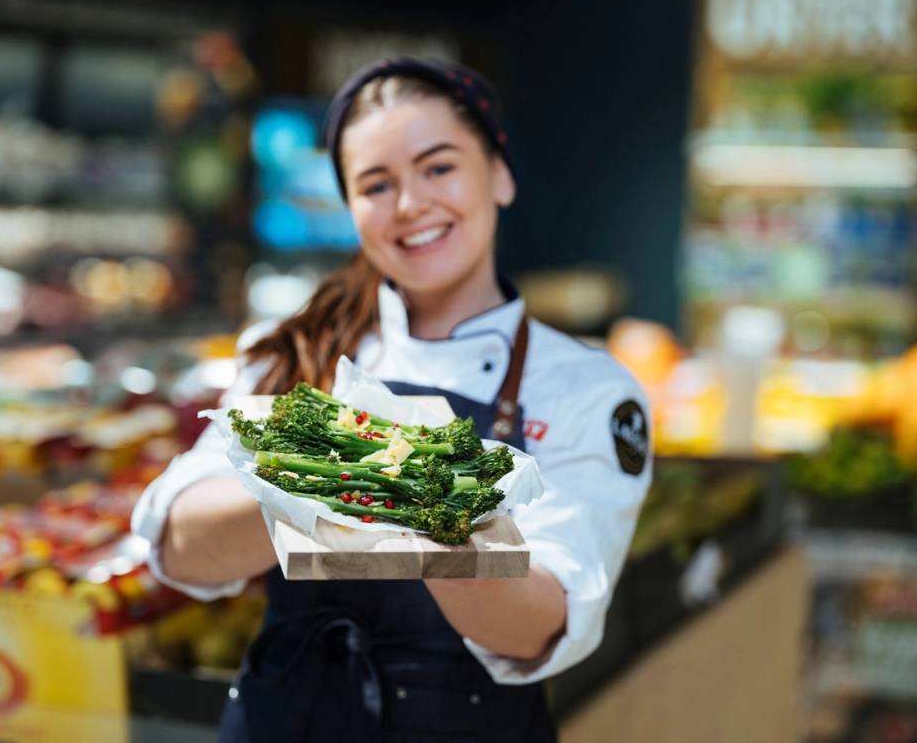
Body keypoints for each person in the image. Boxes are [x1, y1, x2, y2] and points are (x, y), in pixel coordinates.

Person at [132, 56, 652, 743]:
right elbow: (179, 544)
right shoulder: (296, 349)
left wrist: (415, 495)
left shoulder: (588, 389)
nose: (410, 204)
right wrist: (329, 470)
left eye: (439, 168)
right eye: (376, 184)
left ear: (499, 173)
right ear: (350, 209)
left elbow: (541, 626)